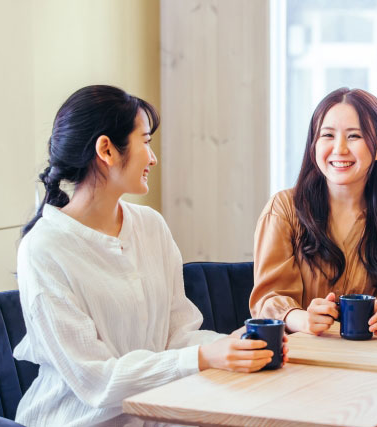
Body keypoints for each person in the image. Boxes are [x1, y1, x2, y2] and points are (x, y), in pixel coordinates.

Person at [14, 85, 287, 427]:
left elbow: (177, 336)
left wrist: (237, 346)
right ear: (107, 150)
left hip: (158, 415)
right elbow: (96, 381)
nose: (153, 158)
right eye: (145, 141)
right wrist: (203, 357)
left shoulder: (150, 226)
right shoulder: (44, 250)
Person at [250, 87, 377, 335]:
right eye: (328, 135)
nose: (339, 149)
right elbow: (267, 300)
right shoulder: (284, 210)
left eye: (354, 136)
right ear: (314, 144)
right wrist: (302, 319)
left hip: (369, 362)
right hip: (297, 360)